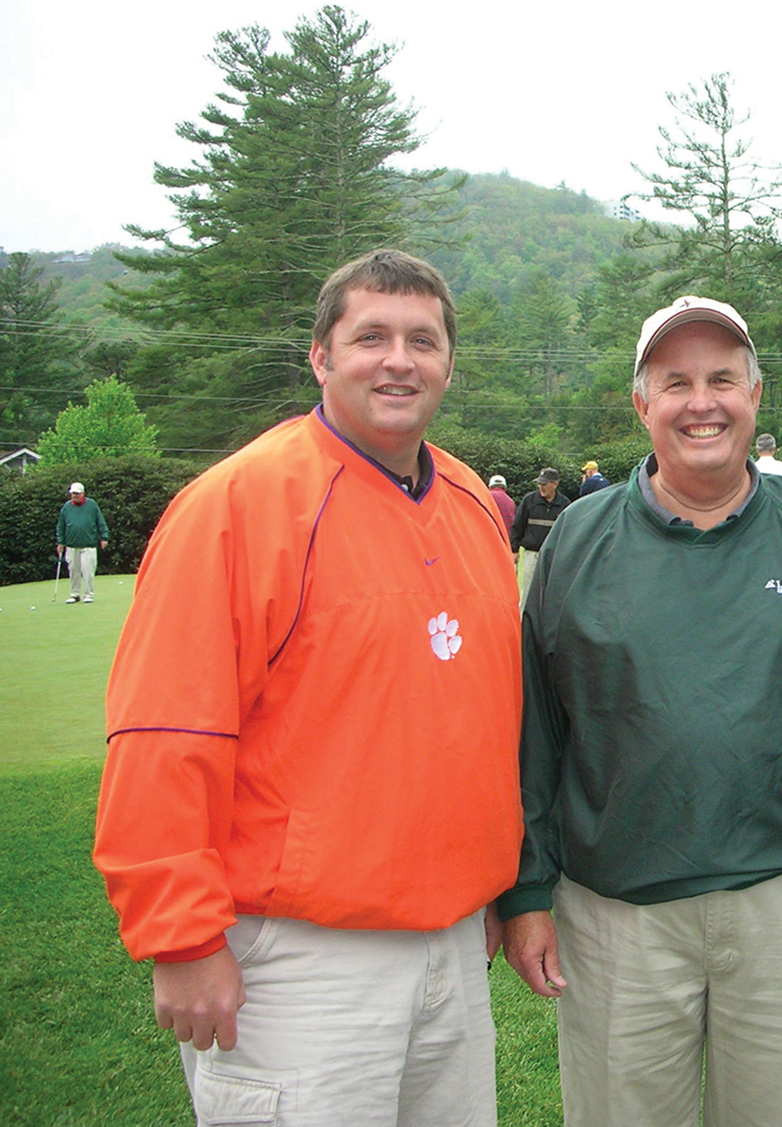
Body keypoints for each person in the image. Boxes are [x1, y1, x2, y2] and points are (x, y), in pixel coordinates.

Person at [93, 249, 523, 1127]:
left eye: (422, 339)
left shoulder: (474, 502)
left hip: (451, 946)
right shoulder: (238, 505)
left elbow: (485, 723)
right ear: (321, 357)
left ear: (448, 362)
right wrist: (179, 937)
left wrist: (488, 892)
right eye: (370, 337)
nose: (398, 359)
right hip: (297, 962)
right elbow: (165, 733)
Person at [500, 294, 782, 1127]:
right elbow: (536, 735)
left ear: (755, 396)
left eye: (723, 379)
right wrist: (524, 891)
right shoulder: (578, 543)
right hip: (616, 915)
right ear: (641, 404)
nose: (703, 402)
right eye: (677, 381)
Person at [509, 467, 570, 607]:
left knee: (551, 593)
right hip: (532, 554)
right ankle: (524, 624)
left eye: (544, 484)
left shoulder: (564, 503)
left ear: (555, 484)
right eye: (539, 484)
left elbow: (567, 532)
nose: (540, 487)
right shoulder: (529, 500)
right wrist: (514, 550)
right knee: (528, 592)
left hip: (553, 556)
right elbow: (518, 525)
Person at [55, 480, 108, 604]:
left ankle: (88, 594)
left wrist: (104, 537)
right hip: (71, 545)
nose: (75, 496)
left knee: (88, 571)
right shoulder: (67, 507)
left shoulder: (92, 505)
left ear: (83, 493)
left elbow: (100, 522)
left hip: (88, 545)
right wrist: (60, 542)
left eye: (77, 493)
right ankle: (75, 594)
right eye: (73, 493)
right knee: (73, 571)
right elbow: (61, 526)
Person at [488, 473, 517, 539]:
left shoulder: (486, 497)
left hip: (489, 536)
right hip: (506, 539)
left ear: (490, 486)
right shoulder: (511, 501)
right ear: (505, 487)